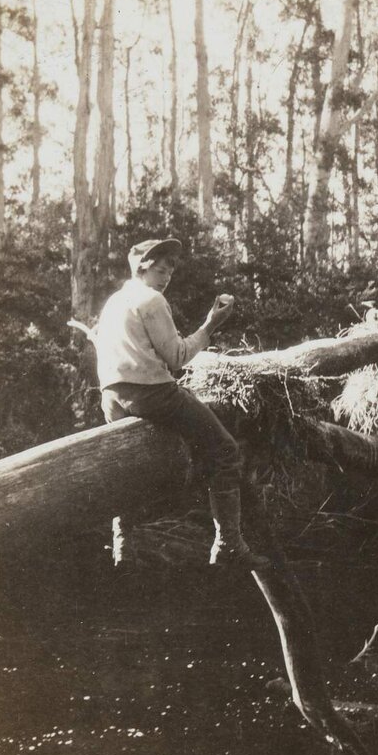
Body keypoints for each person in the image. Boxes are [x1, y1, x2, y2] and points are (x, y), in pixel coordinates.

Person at [94, 237, 268, 572]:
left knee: (125, 470)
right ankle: (228, 544)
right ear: (142, 268)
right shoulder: (151, 300)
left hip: (112, 397)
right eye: (160, 270)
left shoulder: (115, 301)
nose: (165, 278)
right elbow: (177, 357)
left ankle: (123, 546)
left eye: (169, 273)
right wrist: (210, 326)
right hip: (152, 396)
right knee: (226, 451)